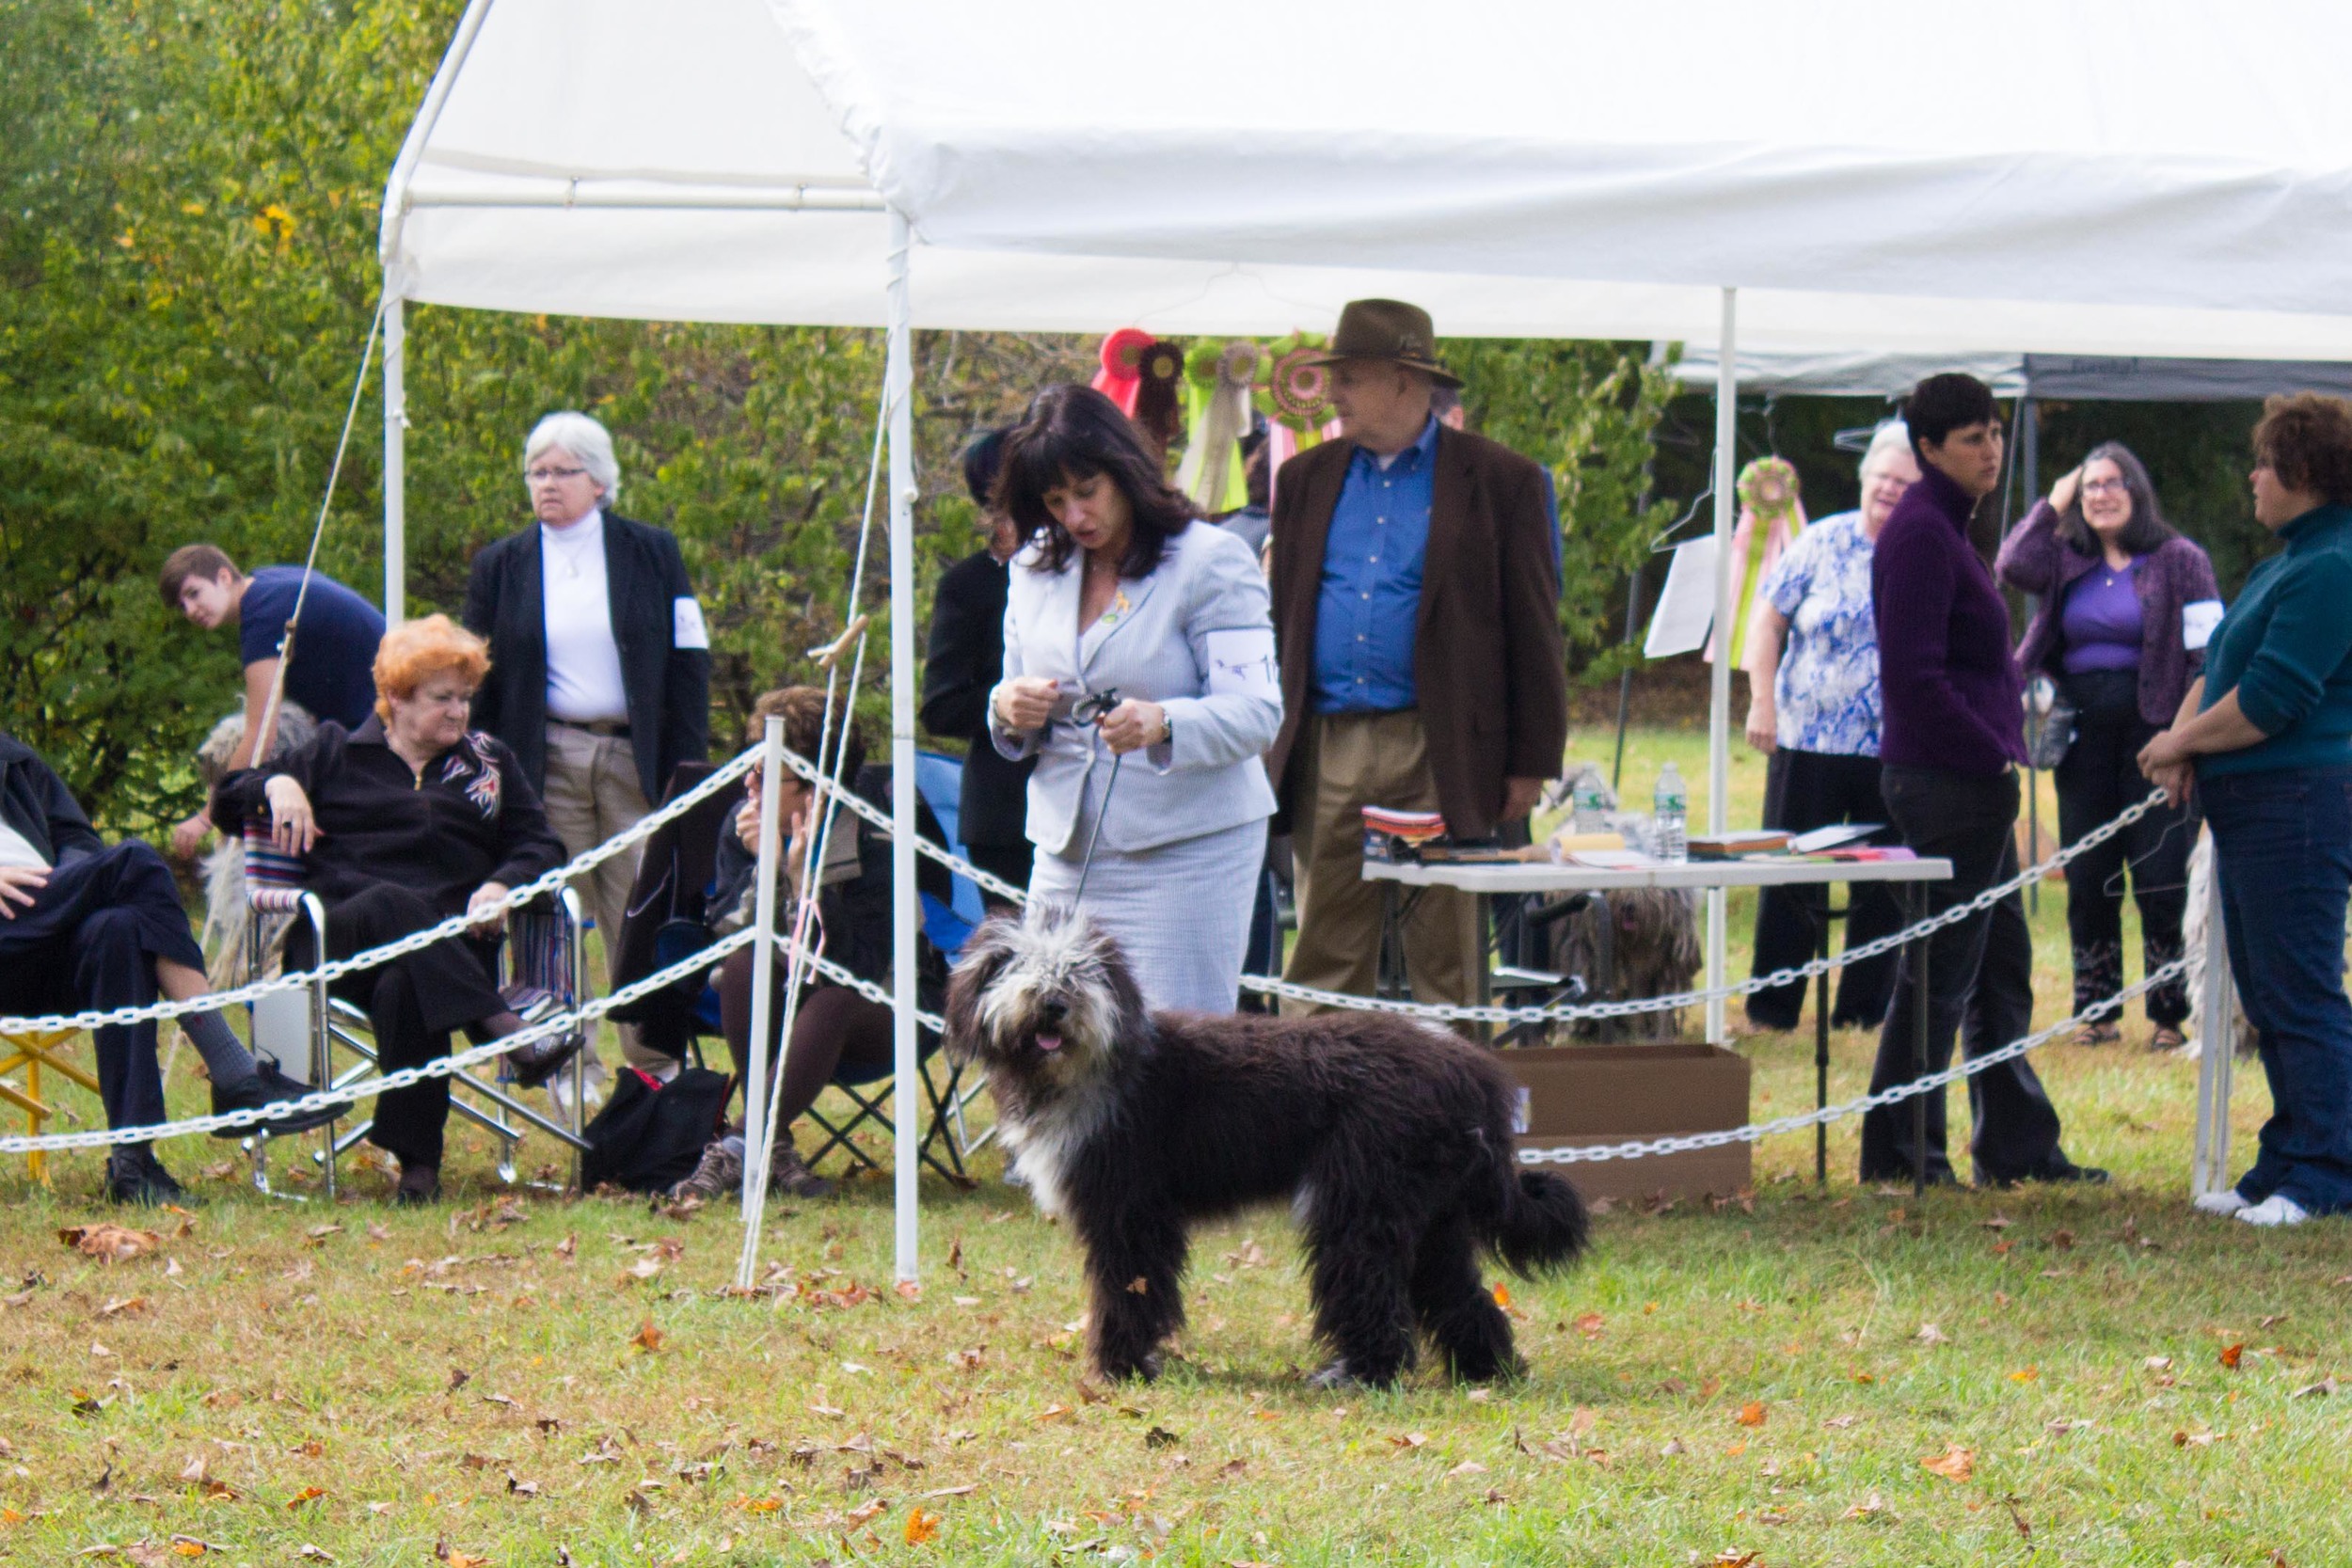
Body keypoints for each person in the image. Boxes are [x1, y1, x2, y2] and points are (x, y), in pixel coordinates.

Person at [1264, 299, 1566, 1008]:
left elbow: (1535, 627)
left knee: (1448, 957)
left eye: (1349, 377)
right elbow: (1283, 620)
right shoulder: (1303, 480)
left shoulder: (1503, 480)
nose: (1333, 394)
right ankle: (1312, 1105)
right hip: (1329, 742)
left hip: (1444, 746)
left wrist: (1532, 760)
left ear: (1405, 381)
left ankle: (1453, 1112)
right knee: (1323, 948)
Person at [211, 616, 574, 1204]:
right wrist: (274, 787)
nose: (459, 712)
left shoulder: (489, 763)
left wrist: (504, 884)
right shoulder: (334, 751)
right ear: (397, 699)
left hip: (452, 955)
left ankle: (418, 1169)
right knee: (387, 900)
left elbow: (541, 844)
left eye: (465, 698)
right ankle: (503, 1028)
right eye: (442, 699)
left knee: (406, 983)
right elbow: (227, 803)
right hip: (340, 949)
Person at [1858, 373, 2103, 1188]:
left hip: (1967, 779)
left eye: (1995, 432)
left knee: (1998, 963)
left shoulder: (1951, 526)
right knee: (1939, 974)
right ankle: (1902, 1156)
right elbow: (1915, 677)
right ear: (1927, 448)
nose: (1991, 449)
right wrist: (1993, 754)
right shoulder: (1923, 534)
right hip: (1945, 781)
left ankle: (2016, 1144)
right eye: (1972, 437)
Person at [990, 384, 1282, 1012]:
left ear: (1125, 470)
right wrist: (1006, 708)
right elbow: (1012, 691)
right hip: (1065, 846)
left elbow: (1259, 713)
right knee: (1049, 1043)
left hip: (1189, 847)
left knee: (1171, 1052)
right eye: (1055, 500)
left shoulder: (1211, 560)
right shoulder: (1032, 565)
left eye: (1087, 490)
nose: (1074, 516)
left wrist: (1164, 721)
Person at [2140, 393, 2352, 1227]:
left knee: (2299, 992)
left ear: (2304, 472)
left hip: (2298, 799)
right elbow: (2224, 659)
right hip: (2256, 801)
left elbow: (2272, 698)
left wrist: (2178, 742)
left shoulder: (2334, 564)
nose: (2254, 480)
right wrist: (2184, 737)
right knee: (2267, 993)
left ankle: (2325, 1174)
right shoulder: (2289, 560)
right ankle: (2285, 1161)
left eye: (2264, 464)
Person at [463, 411, 711, 1074]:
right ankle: (563, 1061)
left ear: (599, 481)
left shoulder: (652, 551)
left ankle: (653, 1063)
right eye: (536, 472)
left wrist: (688, 771)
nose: (547, 484)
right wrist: (482, 766)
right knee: (548, 908)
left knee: (642, 905)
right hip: (544, 759)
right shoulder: (500, 565)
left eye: (562, 472)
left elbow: (689, 660)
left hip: (636, 756)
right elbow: (477, 679)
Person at [2, 733, 336, 1204]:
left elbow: (76, 839)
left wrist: (65, 887)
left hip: (46, 923)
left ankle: (133, 1167)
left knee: (119, 929)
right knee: (136, 861)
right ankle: (234, 1071)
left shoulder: (11, 760)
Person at [1998, 441, 2219, 1049]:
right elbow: (2013, 563)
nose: (2101, 494)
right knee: (2090, 870)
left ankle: (2169, 1014)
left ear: (2138, 490)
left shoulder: (2180, 559)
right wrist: (2058, 493)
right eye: (2091, 485)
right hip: (2080, 736)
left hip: (2157, 734)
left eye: (2114, 482)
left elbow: (2210, 647)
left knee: (2160, 874)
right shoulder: (2066, 558)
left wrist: (2186, 737)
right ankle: (2095, 1010)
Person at [671, 688, 895, 1202]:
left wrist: (803, 879)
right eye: (750, 764)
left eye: (766, 772)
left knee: (832, 1000)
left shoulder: (871, 836)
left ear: (814, 788)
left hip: (880, 1009)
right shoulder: (743, 825)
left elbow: (857, 966)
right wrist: (766, 869)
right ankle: (769, 1147)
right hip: (779, 998)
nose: (748, 783)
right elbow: (730, 933)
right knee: (744, 964)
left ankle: (738, 1145)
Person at [1740, 421, 1919, 1032]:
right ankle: (1772, 1005)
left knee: (1881, 881)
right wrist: (1762, 701)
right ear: (1863, 477)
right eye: (1882, 478)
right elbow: (1766, 626)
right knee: (1791, 873)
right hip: (1807, 739)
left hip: (1892, 746)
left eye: (1903, 482)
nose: (1889, 490)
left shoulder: (1925, 549)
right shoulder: (1819, 541)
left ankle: (1864, 1010)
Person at [160, 546, 387, 860]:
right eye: (182, 606)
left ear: (224, 577)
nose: (191, 610)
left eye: (194, 593)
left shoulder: (263, 616)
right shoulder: (268, 583)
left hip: (383, 732)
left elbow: (260, 736)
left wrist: (206, 817)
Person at [920, 429, 1035, 911]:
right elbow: (939, 708)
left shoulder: (1085, 572)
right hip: (1004, 811)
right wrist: (1008, 701)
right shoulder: (969, 585)